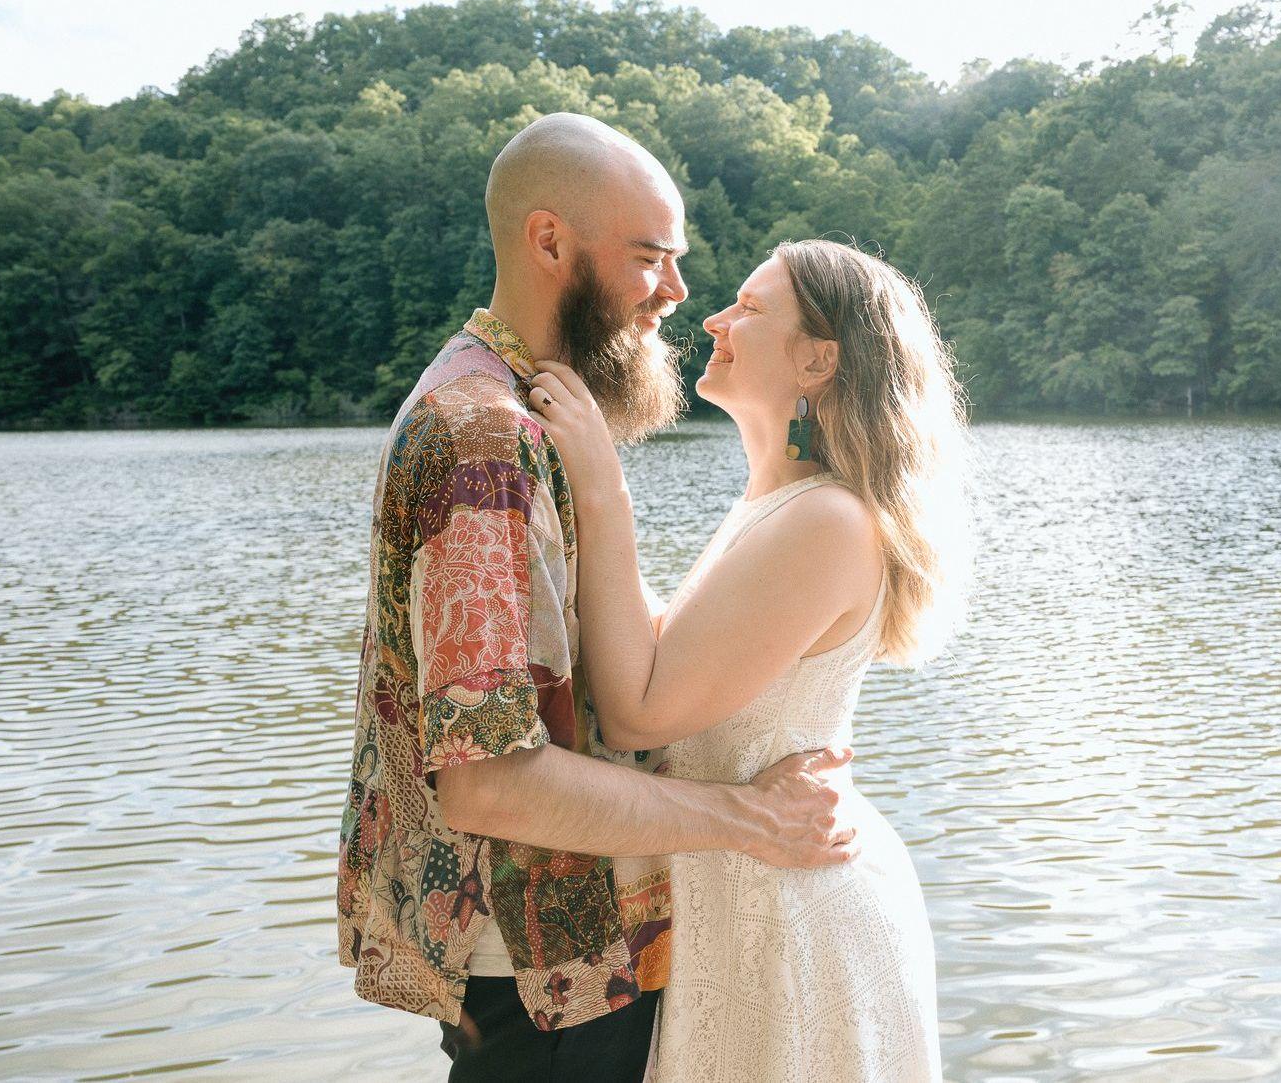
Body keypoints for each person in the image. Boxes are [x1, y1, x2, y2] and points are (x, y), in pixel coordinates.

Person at [336, 113, 858, 1081]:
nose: (679, 291)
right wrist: (754, 818)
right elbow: (490, 779)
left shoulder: (521, 407)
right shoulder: (485, 438)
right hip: (544, 976)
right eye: (651, 257)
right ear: (550, 242)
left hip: (568, 960)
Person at [525, 237, 970, 1081]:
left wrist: (603, 486)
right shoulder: (779, 505)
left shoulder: (825, 520)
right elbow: (664, 651)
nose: (715, 320)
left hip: (795, 912)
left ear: (818, 359)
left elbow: (639, 710)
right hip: (751, 894)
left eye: (751, 307)